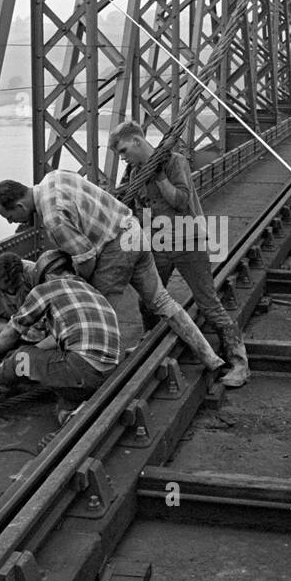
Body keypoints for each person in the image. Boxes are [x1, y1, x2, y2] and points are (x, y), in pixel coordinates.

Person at [0, 171, 227, 378]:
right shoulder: (54, 177)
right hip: (133, 230)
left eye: (10, 217)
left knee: (91, 316)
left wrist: (81, 286)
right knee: (162, 301)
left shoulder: (53, 218)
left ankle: (95, 377)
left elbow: (86, 257)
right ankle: (210, 357)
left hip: (115, 250)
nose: (13, 223)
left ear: (20, 206)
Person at [109, 120, 249, 387]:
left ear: (137, 141)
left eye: (124, 151)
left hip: (188, 240)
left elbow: (181, 201)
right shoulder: (133, 172)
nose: (123, 157)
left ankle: (239, 363)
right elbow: (124, 202)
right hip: (158, 242)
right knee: (147, 300)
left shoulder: (174, 162)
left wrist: (159, 176)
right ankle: (150, 344)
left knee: (208, 303)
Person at [0, 250, 120, 404]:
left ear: (47, 276)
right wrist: (34, 355)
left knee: (20, 357)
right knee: (37, 363)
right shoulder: (90, 291)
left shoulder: (47, 288)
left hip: (82, 369)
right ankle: (67, 410)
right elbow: (56, 340)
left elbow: (12, 330)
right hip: (107, 373)